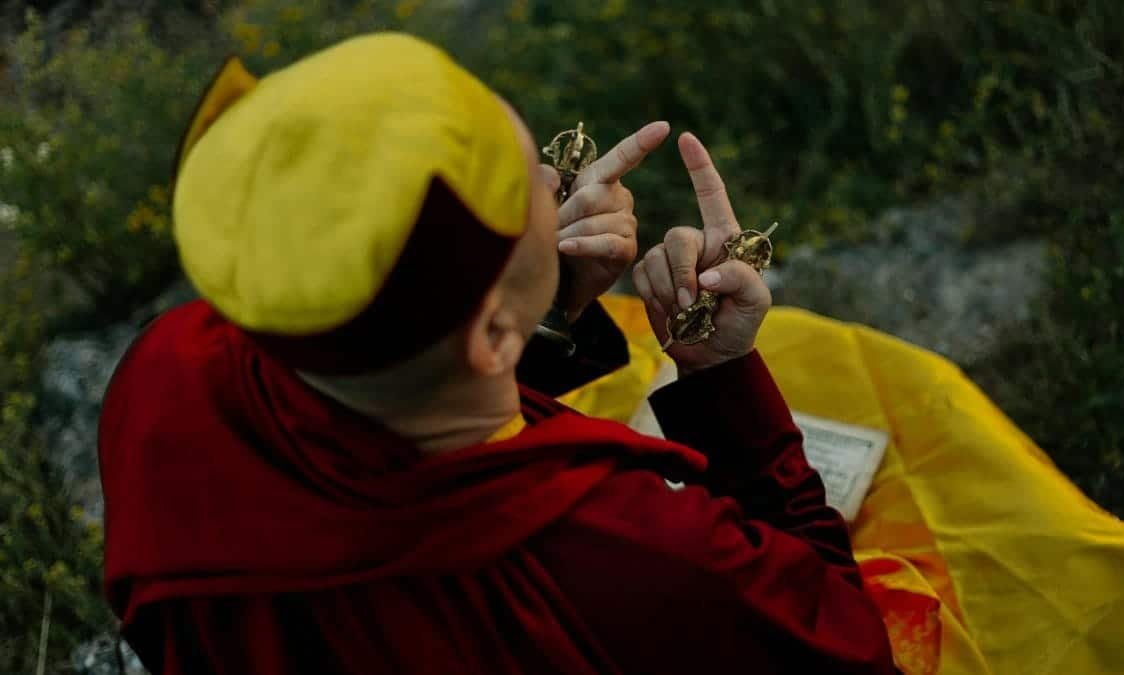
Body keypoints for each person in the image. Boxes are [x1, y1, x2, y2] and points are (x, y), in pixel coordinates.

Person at [98, 33, 895, 674]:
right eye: (531, 194)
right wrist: (721, 376)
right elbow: (849, 644)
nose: (559, 182)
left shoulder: (162, 379)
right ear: (488, 336)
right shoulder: (641, 551)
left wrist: (541, 310)